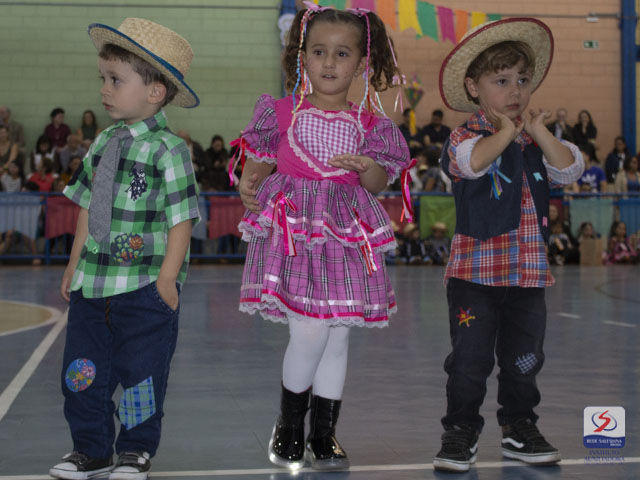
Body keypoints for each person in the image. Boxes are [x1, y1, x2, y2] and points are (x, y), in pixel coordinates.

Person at [236, 4, 409, 471]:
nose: (329, 62)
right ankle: (289, 425)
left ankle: (324, 434)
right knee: (310, 331)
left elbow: (378, 182)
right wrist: (248, 185)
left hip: (346, 236)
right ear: (302, 58)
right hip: (295, 233)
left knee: (337, 338)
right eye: (318, 51)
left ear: (362, 63)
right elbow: (256, 167)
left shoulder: (371, 126)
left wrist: (366, 167)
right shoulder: (280, 112)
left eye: (342, 53)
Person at [50, 18, 201, 480]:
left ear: (155, 92)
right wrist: (73, 264)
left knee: (141, 375)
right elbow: (86, 206)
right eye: (103, 78)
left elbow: (181, 218)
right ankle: (90, 450)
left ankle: (134, 450)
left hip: (142, 288)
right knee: (82, 373)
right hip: (92, 285)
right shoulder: (102, 142)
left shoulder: (169, 150)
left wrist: (167, 281)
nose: (105, 89)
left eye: (115, 80)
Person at [436, 17, 584, 472]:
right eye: (501, 81)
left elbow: (570, 169)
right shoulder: (464, 137)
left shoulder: (535, 140)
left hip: (527, 275)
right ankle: (460, 430)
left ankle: (519, 426)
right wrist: (506, 132)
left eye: (522, 80)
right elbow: (473, 165)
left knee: (525, 358)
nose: (515, 90)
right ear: (473, 87)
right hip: (474, 276)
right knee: (470, 360)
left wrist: (539, 132)